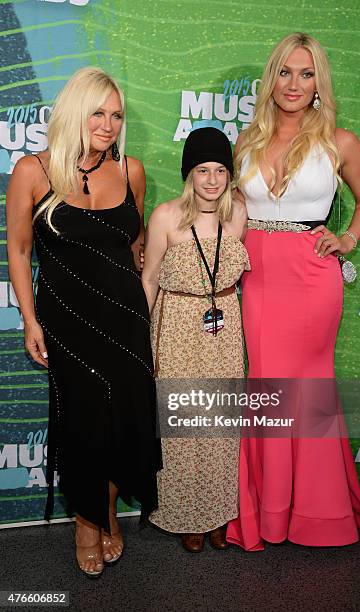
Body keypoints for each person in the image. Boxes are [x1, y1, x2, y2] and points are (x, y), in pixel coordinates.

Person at [226, 33, 360, 550]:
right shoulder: (246, 140)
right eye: (285, 72)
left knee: (310, 386)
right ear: (270, 78)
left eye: (306, 74)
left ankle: (316, 512)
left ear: (319, 81)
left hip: (312, 274)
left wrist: (347, 238)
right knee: (267, 383)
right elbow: (230, 211)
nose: (294, 84)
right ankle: (268, 511)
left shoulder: (338, 142)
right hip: (256, 274)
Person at [6, 67, 161, 576]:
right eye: (99, 112)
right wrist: (30, 320)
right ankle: (86, 522)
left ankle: (107, 509)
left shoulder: (131, 171)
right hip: (68, 321)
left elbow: (132, 243)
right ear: (75, 110)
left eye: (116, 115)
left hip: (125, 320)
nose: (109, 124)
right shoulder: (33, 171)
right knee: (83, 426)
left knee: (125, 426)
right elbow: (21, 250)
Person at [142, 127, 248, 552]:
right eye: (202, 170)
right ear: (189, 173)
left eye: (220, 170)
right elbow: (148, 279)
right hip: (178, 328)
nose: (211, 180)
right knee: (184, 428)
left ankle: (219, 513)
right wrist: (140, 340)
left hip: (223, 327)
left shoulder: (238, 213)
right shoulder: (166, 216)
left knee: (221, 427)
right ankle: (187, 515)